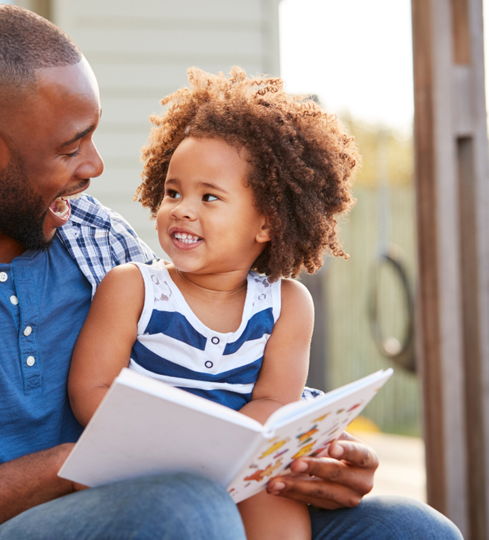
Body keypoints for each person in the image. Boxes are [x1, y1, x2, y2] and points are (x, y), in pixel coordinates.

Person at [0, 5, 462, 540]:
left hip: (163, 506)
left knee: (413, 529)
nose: (96, 168)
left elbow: (206, 359)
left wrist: (310, 451)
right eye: (71, 146)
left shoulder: (96, 239)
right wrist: (76, 465)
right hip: (41, 525)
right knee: (186, 514)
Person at [67, 67, 359, 540]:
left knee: (274, 496)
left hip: (238, 459)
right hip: (141, 462)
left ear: (266, 223)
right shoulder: (133, 288)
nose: (183, 208)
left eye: (209, 197)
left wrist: (221, 449)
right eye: (174, 191)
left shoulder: (286, 305)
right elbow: (91, 390)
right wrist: (176, 447)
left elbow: (273, 402)